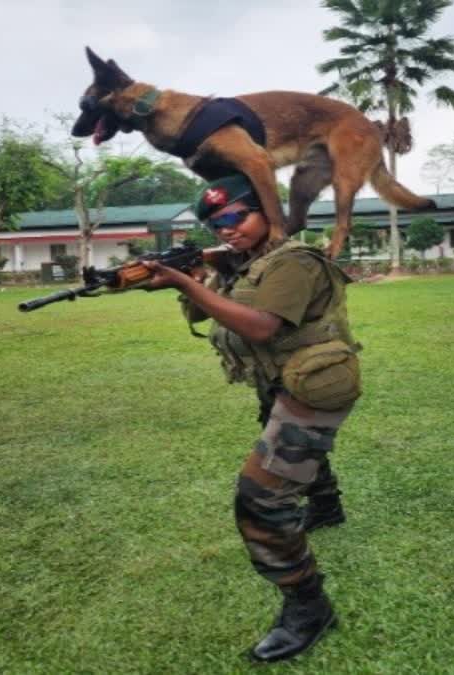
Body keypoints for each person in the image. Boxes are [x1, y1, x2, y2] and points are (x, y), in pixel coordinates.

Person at [141, 174, 362, 663]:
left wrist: (184, 282)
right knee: (290, 444)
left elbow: (261, 327)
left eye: (235, 216)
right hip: (282, 378)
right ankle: (326, 507)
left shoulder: (294, 262)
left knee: (260, 497)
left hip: (316, 381)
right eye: (216, 223)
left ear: (267, 210)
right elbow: (209, 314)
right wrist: (195, 273)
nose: (226, 229)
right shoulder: (245, 262)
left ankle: (309, 608)